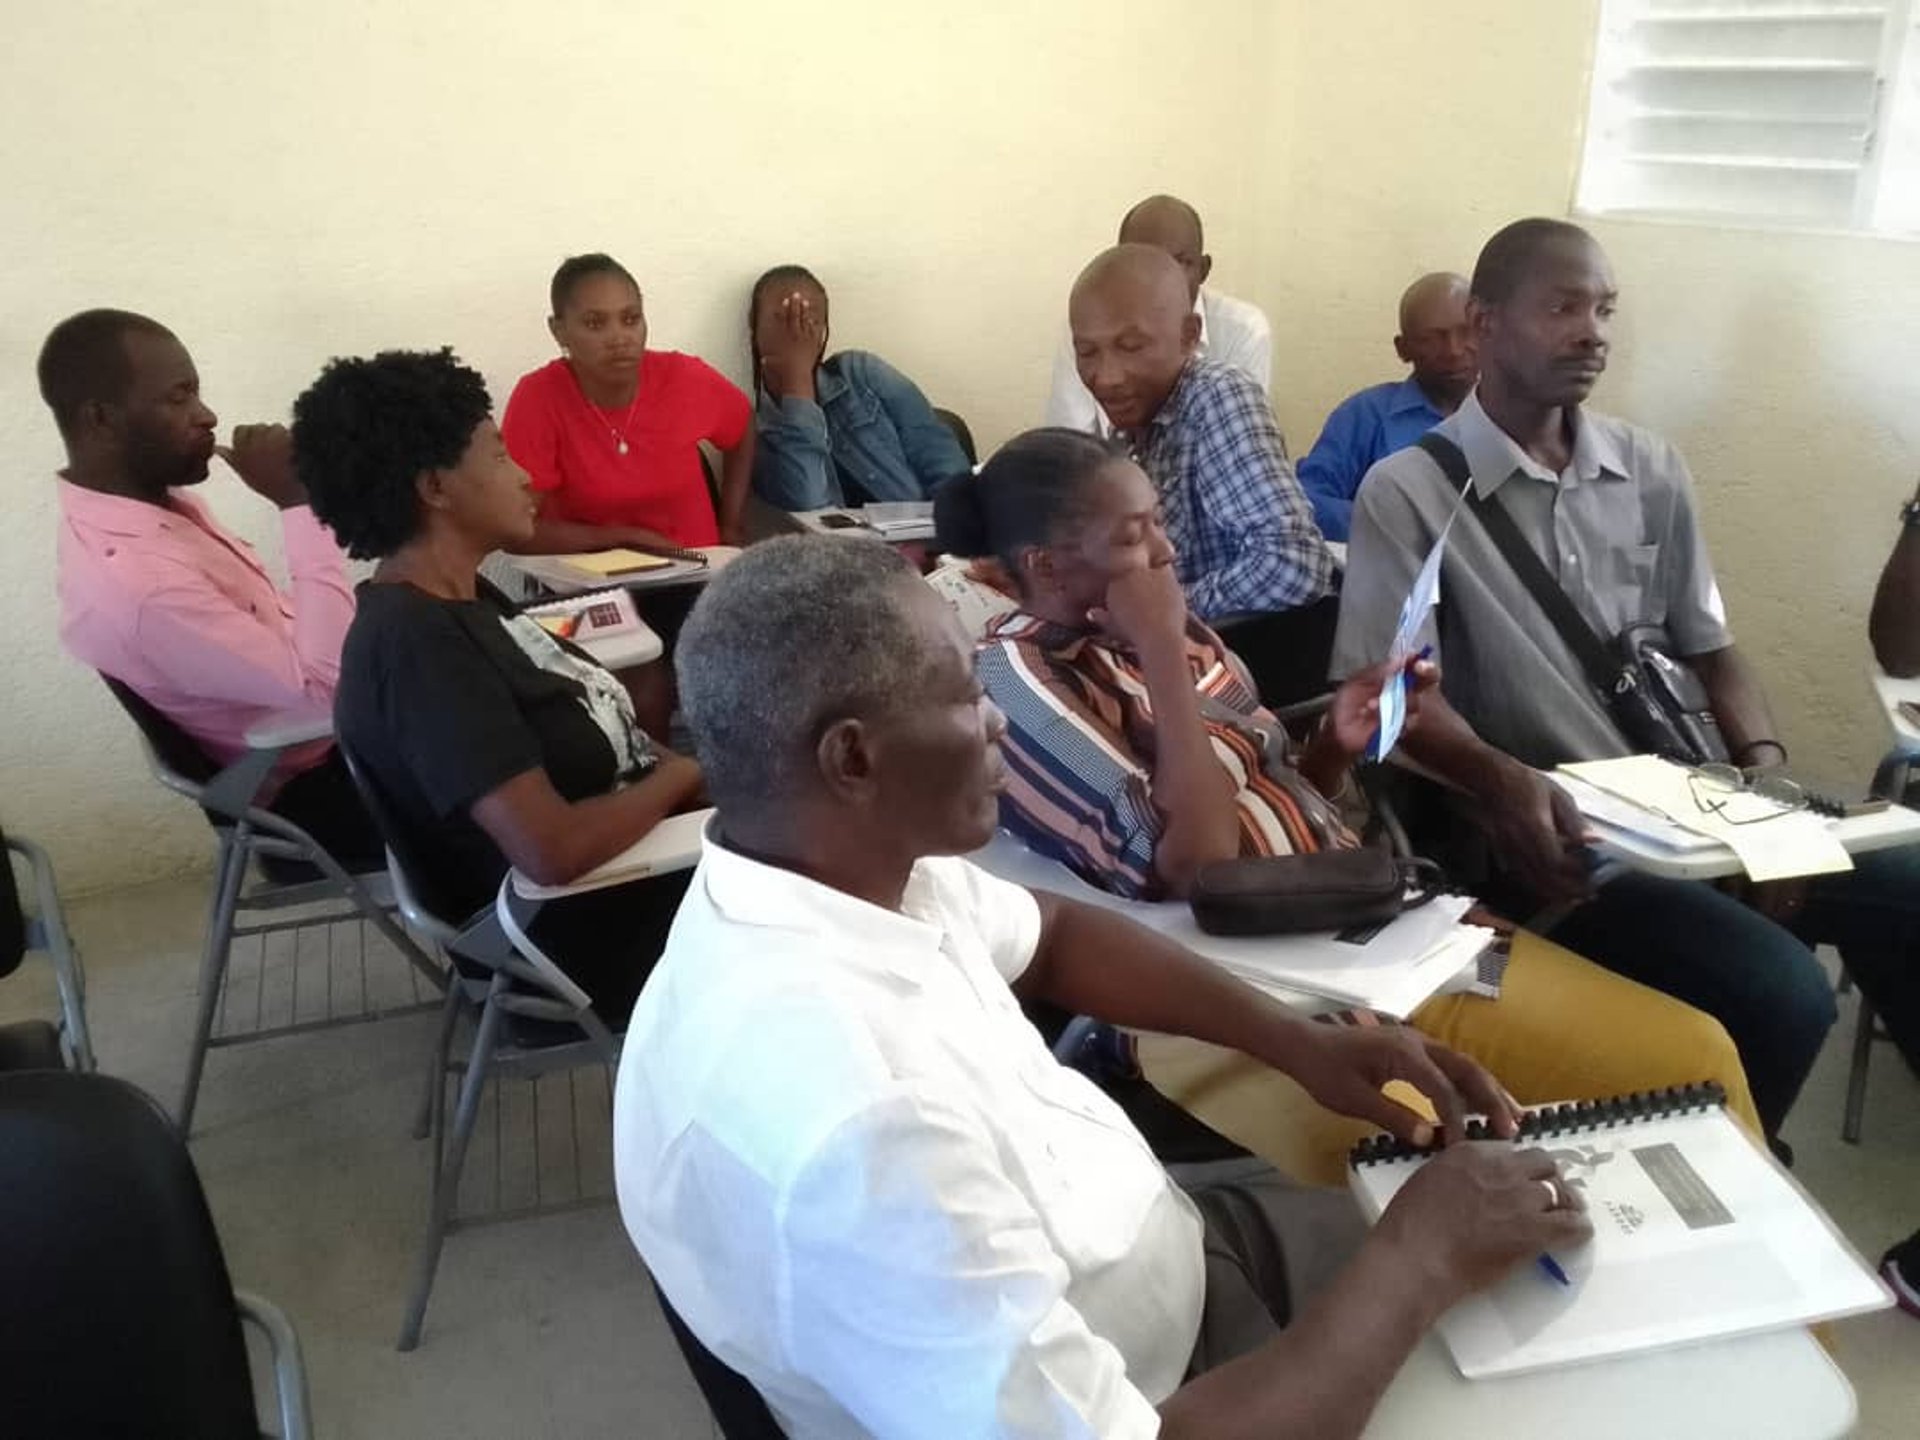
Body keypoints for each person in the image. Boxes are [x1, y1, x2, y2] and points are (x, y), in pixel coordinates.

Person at [614, 533, 1593, 1438]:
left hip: (1173, 1259)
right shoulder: (855, 1123)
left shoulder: (846, 869)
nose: (998, 718)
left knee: (1553, 1294)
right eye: (965, 693)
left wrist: (1300, 1043)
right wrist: (1416, 1260)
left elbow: (1056, 935)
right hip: (1175, 1394)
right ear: (854, 757)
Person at [934, 427, 1758, 1181]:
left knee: (1687, 1057)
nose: (1166, 549)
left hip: (1367, 925)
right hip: (1259, 988)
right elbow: (1206, 868)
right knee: (1658, 1081)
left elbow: (1277, 799)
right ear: (1046, 567)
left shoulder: (1174, 631)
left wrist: (1333, 744)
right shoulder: (1020, 681)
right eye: (1133, 536)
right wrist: (1157, 648)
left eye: (1158, 521)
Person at [1335, 217, 1920, 1148]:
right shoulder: (1406, 491)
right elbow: (1391, 701)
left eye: (1605, 308)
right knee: (1786, 992)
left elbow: (1712, 648)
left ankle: (1751, 1152)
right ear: (1484, 324)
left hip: (1694, 802)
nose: (1594, 331)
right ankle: (1726, 1174)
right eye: (1563, 306)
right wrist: (1500, 779)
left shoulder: (1650, 468)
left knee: (1910, 880)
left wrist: (1764, 778)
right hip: (1553, 836)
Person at [294, 348, 705, 1023]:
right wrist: (683, 778)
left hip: (628, 871)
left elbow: (602, 736)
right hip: (576, 939)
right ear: (435, 488)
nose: (525, 479)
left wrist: (699, 781)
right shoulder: (418, 647)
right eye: (498, 456)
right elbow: (552, 850)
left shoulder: (465, 596)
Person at [40, 308, 382, 867]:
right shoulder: (139, 582)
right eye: (178, 399)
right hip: (320, 795)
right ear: (100, 419)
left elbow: (285, 628)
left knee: (458, 624)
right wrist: (298, 503)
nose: (207, 416)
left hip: (335, 740)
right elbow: (327, 695)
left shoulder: (156, 508)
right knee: (544, 764)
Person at [1066, 243, 1335, 706]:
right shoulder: (1138, 429)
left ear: (1190, 335)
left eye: (1130, 347)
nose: (1105, 377)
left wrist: (1161, 618)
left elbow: (1293, 564)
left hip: (1227, 684)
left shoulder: (1216, 398)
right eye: (1087, 352)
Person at [501, 253, 754, 554]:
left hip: (695, 570)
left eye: (631, 319)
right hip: (592, 582)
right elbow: (514, 532)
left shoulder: (682, 377)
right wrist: (618, 539)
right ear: (559, 331)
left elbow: (743, 426)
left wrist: (731, 524)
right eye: (595, 324)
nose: (619, 338)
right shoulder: (539, 398)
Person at [746, 264, 972, 510]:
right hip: (835, 548)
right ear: (754, 327)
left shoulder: (861, 373)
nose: (797, 332)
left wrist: (955, 532)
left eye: (810, 321)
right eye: (783, 319)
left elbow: (940, 455)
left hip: (928, 536)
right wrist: (797, 381)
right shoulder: (757, 433)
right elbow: (810, 508)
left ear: (825, 330)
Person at [1045, 194, 1272, 434]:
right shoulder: (1091, 328)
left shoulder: (1242, 332)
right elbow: (1070, 442)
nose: (1108, 379)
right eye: (1141, 263)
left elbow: (1237, 435)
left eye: (1131, 346)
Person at [1297, 272, 1476, 541]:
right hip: (1392, 574)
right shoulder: (1365, 414)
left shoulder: (1518, 417)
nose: (1453, 349)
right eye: (1432, 338)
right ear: (1403, 348)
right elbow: (1306, 500)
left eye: (1466, 332)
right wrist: (1395, 529)